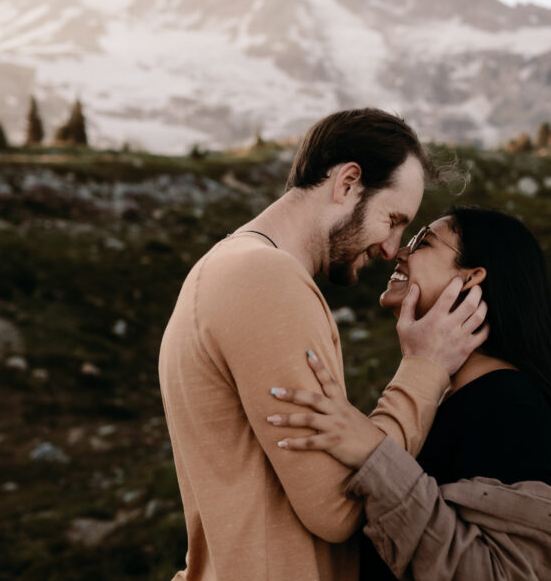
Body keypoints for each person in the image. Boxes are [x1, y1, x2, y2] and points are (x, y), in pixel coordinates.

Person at [157, 109, 489, 581]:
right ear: (348, 182)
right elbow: (336, 508)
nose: (392, 250)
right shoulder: (264, 280)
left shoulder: (230, 267)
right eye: (392, 219)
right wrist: (424, 368)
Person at [268, 206, 551, 581]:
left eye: (423, 242)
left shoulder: (509, 408)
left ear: (471, 277)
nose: (397, 253)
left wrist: (374, 455)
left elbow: (500, 572)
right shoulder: (461, 400)